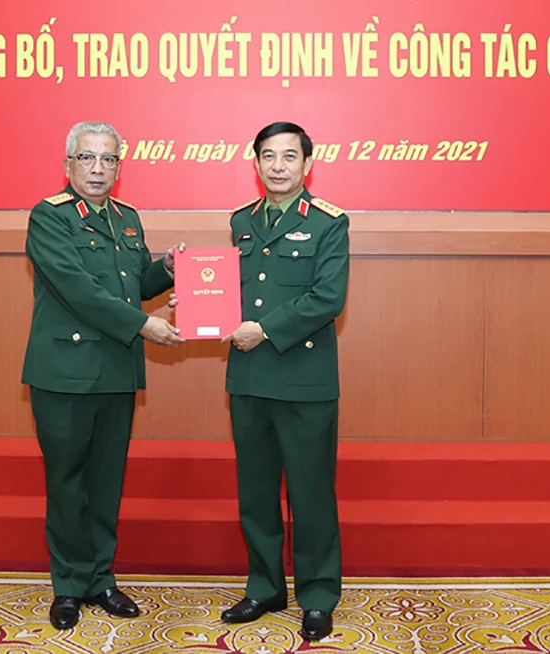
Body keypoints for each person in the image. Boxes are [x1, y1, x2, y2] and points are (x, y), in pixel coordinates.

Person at [21, 120, 185, 631]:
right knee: (68, 483)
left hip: (116, 370)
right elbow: (78, 289)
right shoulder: (49, 216)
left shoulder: (126, 218)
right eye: (87, 158)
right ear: (68, 164)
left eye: (108, 159)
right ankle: (69, 585)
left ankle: (101, 579)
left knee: (106, 482)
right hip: (65, 373)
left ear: (119, 166)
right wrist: (143, 325)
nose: (98, 169)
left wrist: (168, 269)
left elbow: (133, 283)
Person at [220, 121, 350, 641]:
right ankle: (265, 587)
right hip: (249, 379)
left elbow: (328, 298)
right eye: (268, 156)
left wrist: (266, 329)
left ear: (307, 164)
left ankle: (317, 595)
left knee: (310, 494)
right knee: (255, 494)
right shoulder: (241, 221)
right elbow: (233, 290)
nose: (278, 166)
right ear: (256, 163)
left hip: (304, 381)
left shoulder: (329, 223)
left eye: (289, 156)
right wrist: (201, 306)